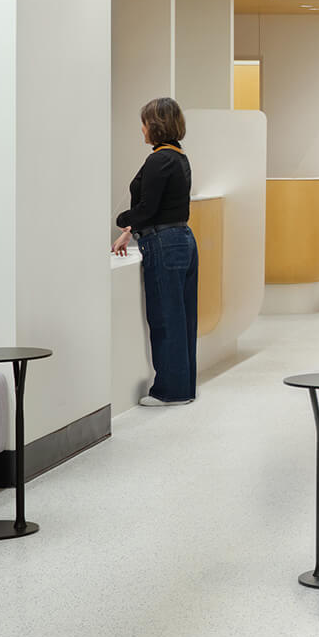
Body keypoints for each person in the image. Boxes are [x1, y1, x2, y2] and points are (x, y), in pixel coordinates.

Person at [112, 97, 198, 406]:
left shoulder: (158, 159)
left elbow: (148, 208)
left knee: (165, 317)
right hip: (181, 238)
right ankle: (183, 387)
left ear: (155, 125)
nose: (142, 128)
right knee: (183, 318)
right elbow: (160, 208)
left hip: (164, 244)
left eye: (145, 122)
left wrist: (122, 221)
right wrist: (130, 232)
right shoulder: (178, 157)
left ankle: (169, 391)